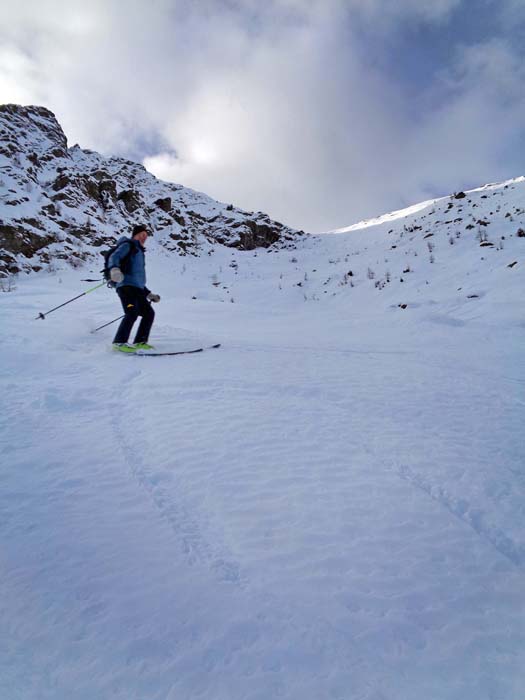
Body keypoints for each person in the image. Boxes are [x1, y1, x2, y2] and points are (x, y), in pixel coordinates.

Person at [108, 223, 161, 353]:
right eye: (142, 235)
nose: (144, 238)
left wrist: (149, 294)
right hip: (125, 287)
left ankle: (140, 342)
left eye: (146, 236)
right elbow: (114, 256)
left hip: (137, 289)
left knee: (149, 313)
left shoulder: (139, 252)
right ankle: (119, 342)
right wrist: (114, 270)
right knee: (131, 312)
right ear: (135, 235)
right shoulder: (128, 245)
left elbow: (137, 280)